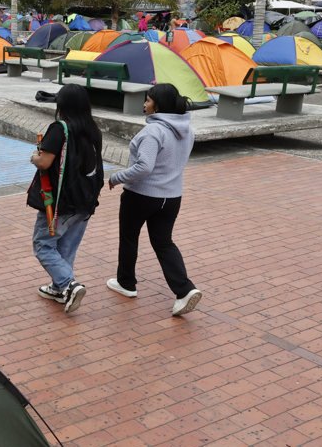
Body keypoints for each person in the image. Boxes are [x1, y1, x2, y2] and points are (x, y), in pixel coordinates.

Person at [106, 83, 203, 317]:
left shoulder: (153, 131)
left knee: (129, 237)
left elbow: (144, 167)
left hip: (141, 195)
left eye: (148, 100)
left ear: (158, 105)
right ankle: (184, 289)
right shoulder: (187, 130)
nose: (145, 104)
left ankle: (126, 283)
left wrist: (117, 177)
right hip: (172, 196)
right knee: (163, 242)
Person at [28, 85, 104, 314]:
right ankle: (58, 288)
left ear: (62, 105)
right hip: (85, 200)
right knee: (67, 247)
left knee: (43, 245)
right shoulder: (93, 129)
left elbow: (44, 162)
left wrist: (34, 157)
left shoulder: (59, 128)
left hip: (60, 202)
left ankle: (68, 284)